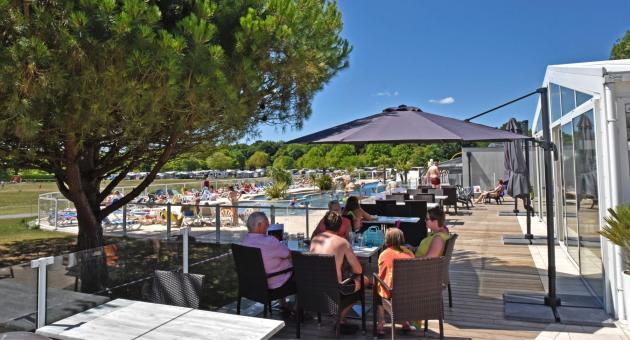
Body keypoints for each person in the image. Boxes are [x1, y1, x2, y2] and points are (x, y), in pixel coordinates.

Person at [309, 211, 367, 333]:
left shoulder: (315, 240)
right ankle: (339, 319)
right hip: (334, 292)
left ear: (324, 224)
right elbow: (358, 270)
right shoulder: (342, 242)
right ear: (340, 226)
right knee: (364, 280)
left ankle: (336, 317)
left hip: (313, 290)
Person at [241, 212, 295, 307]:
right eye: (266, 223)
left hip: (254, 284)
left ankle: (284, 304)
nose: (268, 226)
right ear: (259, 225)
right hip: (274, 284)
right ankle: (300, 311)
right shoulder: (270, 241)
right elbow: (289, 254)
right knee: (303, 273)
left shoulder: (244, 242)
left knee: (277, 263)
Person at [376, 228, 414, 335]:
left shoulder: (384, 254)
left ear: (387, 240)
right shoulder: (409, 253)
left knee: (377, 285)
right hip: (409, 292)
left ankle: (381, 321)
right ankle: (404, 321)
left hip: (392, 293)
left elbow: (382, 273)